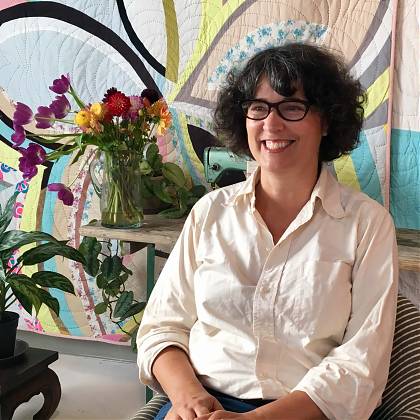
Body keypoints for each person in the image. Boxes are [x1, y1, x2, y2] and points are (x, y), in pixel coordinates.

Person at [136, 42, 398, 420]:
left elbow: (362, 364)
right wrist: (189, 399)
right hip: (205, 406)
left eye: (292, 107)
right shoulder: (210, 212)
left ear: (326, 121)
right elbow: (162, 327)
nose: (271, 125)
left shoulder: (367, 225)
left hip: (308, 411)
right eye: (258, 108)